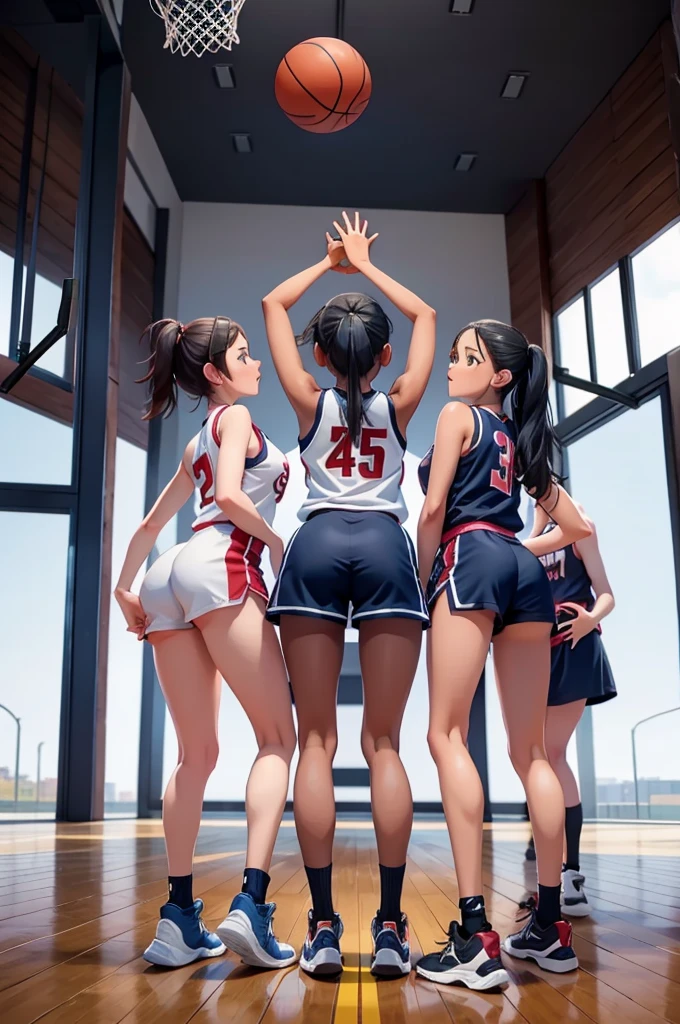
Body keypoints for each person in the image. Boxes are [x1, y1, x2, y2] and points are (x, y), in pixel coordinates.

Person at [262, 212, 435, 978]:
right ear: (386, 354)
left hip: (320, 543)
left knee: (318, 744)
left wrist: (329, 265)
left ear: (323, 355)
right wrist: (366, 270)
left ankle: (326, 926)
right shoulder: (400, 403)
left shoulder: (309, 402)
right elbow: (427, 314)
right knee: (386, 744)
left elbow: (272, 305)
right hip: (386, 548)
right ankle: (393, 928)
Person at [114, 315, 297, 969]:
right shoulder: (237, 420)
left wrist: (124, 590)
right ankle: (250, 903)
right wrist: (280, 543)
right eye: (245, 355)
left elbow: (146, 526)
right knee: (279, 739)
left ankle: (179, 919)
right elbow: (227, 496)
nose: (256, 364)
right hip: (224, 563)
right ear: (216, 373)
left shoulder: (199, 438)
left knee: (196, 754)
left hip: (168, 571)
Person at [414, 320, 591, 988]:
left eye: (466, 358)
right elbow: (577, 527)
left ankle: (474, 935)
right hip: (519, 570)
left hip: (468, 560)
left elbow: (433, 510)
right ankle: (549, 925)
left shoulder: (457, 414)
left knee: (446, 735)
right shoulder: (521, 441)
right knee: (534, 754)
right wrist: (519, 548)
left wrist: (419, 579)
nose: (452, 368)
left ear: (500, 376)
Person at [523, 501, 616, 917]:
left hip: (576, 647)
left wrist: (589, 620)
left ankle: (571, 876)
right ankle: (552, 873)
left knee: (553, 753)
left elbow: (607, 594)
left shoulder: (582, 527)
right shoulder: (527, 540)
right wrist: (537, 527)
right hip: (534, 655)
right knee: (535, 756)